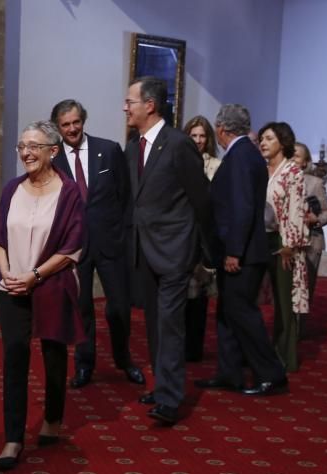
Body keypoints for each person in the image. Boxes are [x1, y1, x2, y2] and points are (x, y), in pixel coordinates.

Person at [0, 121, 85, 470]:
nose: (26, 153)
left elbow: (72, 246)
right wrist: (8, 273)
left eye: (34, 146)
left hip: (51, 284)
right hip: (12, 285)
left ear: (53, 151)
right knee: (14, 356)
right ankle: (13, 438)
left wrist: (34, 276)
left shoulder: (70, 192)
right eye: (21, 146)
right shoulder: (12, 189)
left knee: (53, 354)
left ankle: (53, 418)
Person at [123, 76, 213, 425]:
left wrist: (201, 250)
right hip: (144, 250)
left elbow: (201, 198)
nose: (125, 107)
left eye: (130, 101)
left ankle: (171, 399)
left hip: (175, 251)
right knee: (155, 325)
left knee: (171, 325)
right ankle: (163, 386)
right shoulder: (134, 145)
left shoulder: (178, 144)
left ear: (150, 105)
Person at [194, 104, 287, 396]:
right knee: (227, 312)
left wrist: (234, 252)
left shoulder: (241, 156)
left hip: (243, 254)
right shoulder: (246, 153)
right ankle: (230, 372)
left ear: (221, 129)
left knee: (243, 313)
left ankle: (272, 375)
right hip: (238, 251)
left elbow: (243, 208)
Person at [50, 99, 142, 389]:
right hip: (75, 247)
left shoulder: (109, 150)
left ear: (83, 121)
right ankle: (84, 364)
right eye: (66, 124)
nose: (72, 128)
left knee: (119, 307)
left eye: (76, 122)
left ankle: (124, 358)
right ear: (58, 128)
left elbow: (126, 197)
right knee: (82, 308)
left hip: (111, 243)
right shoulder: (53, 161)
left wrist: (125, 237)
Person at [258, 122, 308, 372]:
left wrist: (289, 244)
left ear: (282, 141)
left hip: (283, 242)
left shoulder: (293, 172)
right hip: (259, 238)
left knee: (284, 302)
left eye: (268, 138)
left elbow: (296, 210)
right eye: (261, 139)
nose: (263, 143)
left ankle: (284, 357)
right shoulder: (261, 169)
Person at [182, 115, 222, 362]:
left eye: (201, 136)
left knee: (199, 296)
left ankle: (194, 348)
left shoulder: (216, 166)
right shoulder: (178, 161)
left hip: (203, 238)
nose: (197, 140)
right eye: (193, 135)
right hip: (179, 236)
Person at [292, 142, 327, 320]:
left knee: (305, 288)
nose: (292, 159)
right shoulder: (278, 180)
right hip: (287, 242)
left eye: (296, 156)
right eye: (289, 155)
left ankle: (300, 328)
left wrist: (317, 220)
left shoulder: (315, 183)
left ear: (305, 161)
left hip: (311, 241)